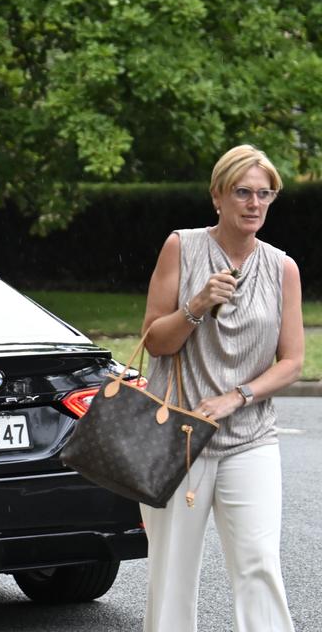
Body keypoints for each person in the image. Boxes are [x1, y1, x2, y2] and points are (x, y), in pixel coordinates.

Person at [140, 144, 302, 631]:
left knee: (258, 565)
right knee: (171, 575)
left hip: (249, 438)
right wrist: (196, 304)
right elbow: (154, 341)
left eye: (264, 194)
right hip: (178, 439)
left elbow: (292, 362)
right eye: (243, 192)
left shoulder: (281, 268)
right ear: (218, 195)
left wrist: (239, 396)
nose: (254, 204)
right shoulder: (182, 247)